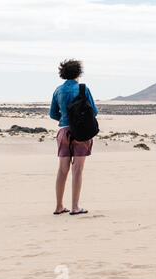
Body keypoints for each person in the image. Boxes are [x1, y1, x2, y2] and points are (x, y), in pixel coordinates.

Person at [49, 59, 98, 215]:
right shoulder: (83, 89)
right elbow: (94, 112)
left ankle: (58, 206)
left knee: (62, 169)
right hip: (81, 133)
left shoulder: (58, 90)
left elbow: (52, 113)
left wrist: (65, 120)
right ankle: (75, 207)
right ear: (78, 72)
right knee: (77, 169)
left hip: (63, 132)